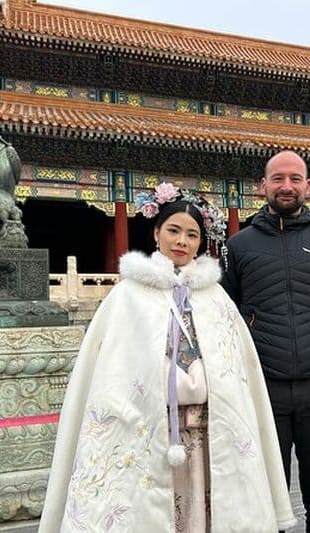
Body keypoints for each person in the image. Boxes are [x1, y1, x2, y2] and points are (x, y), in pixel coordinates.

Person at [39, 183, 296, 532]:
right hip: (148, 428)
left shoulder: (215, 297)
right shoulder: (128, 295)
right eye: (174, 230)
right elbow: (112, 369)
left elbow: (237, 367)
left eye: (192, 235)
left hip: (209, 433)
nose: (182, 241)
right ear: (156, 232)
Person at [222, 150, 310, 532]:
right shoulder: (239, 246)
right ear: (262, 186)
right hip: (264, 388)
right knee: (269, 498)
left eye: (295, 179)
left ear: (308, 187)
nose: (286, 186)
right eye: (278, 178)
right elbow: (227, 312)